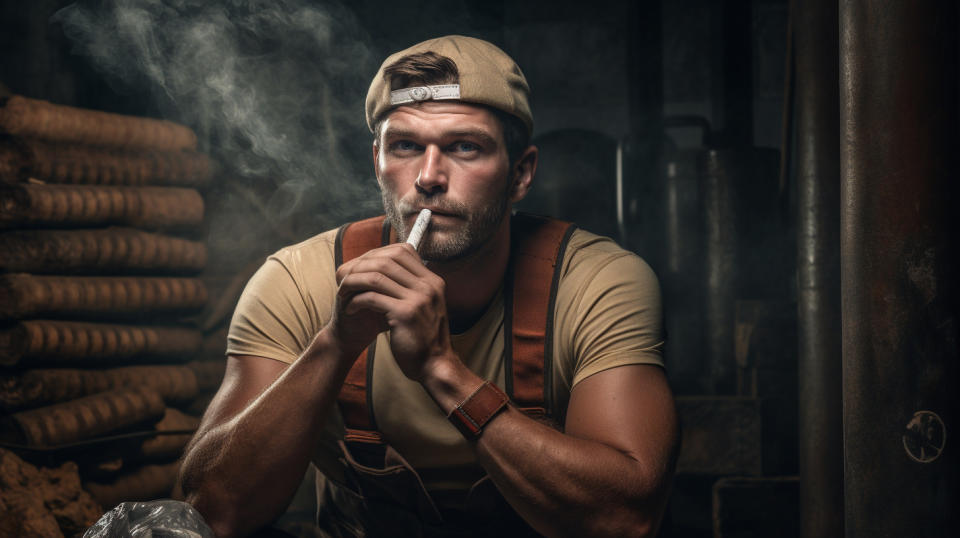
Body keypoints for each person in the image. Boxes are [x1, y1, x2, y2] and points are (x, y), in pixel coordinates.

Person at [179, 35, 679, 537]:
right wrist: (335, 343)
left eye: (465, 147)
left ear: (521, 173)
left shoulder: (596, 283)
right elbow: (211, 511)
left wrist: (443, 371)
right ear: (378, 160)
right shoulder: (297, 281)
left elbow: (625, 521)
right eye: (406, 146)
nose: (428, 176)